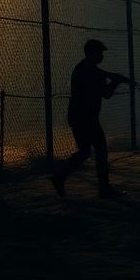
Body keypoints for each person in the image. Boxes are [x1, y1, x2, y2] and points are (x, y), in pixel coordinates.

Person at [51, 39, 126, 198]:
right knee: (100, 150)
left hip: (79, 116)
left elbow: (101, 82)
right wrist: (115, 82)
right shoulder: (91, 72)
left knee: (85, 152)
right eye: (100, 52)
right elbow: (106, 94)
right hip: (86, 118)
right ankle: (104, 189)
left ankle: (59, 177)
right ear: (92, 53)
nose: (102, 56)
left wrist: (113, 79)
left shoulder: (84, 68)